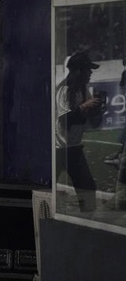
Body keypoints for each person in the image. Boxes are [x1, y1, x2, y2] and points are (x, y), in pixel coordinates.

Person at [55, 51, 104, 212]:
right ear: (77, 71)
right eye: (87, 70)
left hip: (73, 147)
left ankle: (86, 222)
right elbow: (64, 120)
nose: (90, 73)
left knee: (88, 188)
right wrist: (85, 106)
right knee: (46, 187)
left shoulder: (83, 90)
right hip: (57, 149)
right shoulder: (64, 89)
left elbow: (93, 124)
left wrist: (97, 111)